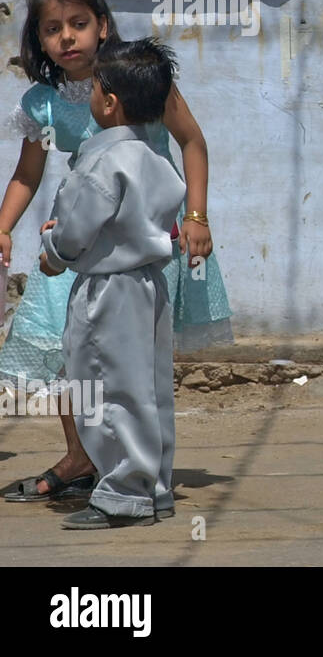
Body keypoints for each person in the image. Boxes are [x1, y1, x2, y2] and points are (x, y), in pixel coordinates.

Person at [0, 0, 233, 503]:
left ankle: (136, 467)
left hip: (140, 244)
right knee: (63, 350)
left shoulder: (135, 79)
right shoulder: (43, 101)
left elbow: (192, 142)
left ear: (103, 26)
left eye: (78, 24)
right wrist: (5, 225)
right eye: (52, 28)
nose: (66, 38)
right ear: (38, 39)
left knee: (129, 358)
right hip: (75, 242)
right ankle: (82, 454)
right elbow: (27, 174)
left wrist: (196, 216)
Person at [41, 39, 187, 528]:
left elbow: (76, 229)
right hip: (149, 287)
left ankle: (123, 493)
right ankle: (155, 488)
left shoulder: (103, 161)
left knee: (106, 389)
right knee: (148, 389)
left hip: (108, 291)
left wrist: (55, 252)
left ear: (108, 102)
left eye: (97, 88)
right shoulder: (154, 157)